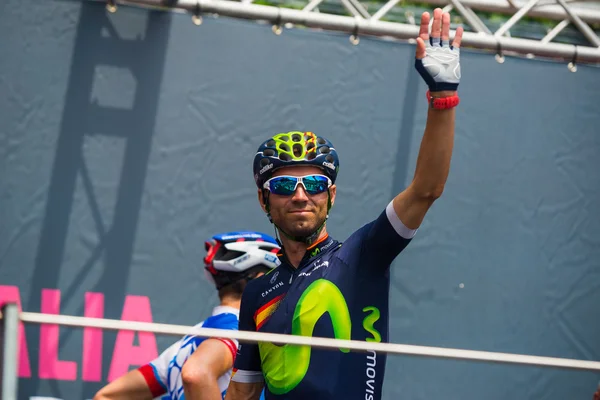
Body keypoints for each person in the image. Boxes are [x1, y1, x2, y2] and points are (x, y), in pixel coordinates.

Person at [225, 8, 462, 400]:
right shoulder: (257, 293)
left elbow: (427, 189)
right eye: (284, 184)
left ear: (330, 196)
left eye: (315, 183)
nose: (301, 195)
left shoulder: (363, 255)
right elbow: (241, 393)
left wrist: (443, 97)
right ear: (264, 200)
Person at [93, 231, 279, 400]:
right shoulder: (240, 331)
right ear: (258, 280)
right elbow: (196, 374)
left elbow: (107, 396)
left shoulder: (184, 344)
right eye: (274, 281)